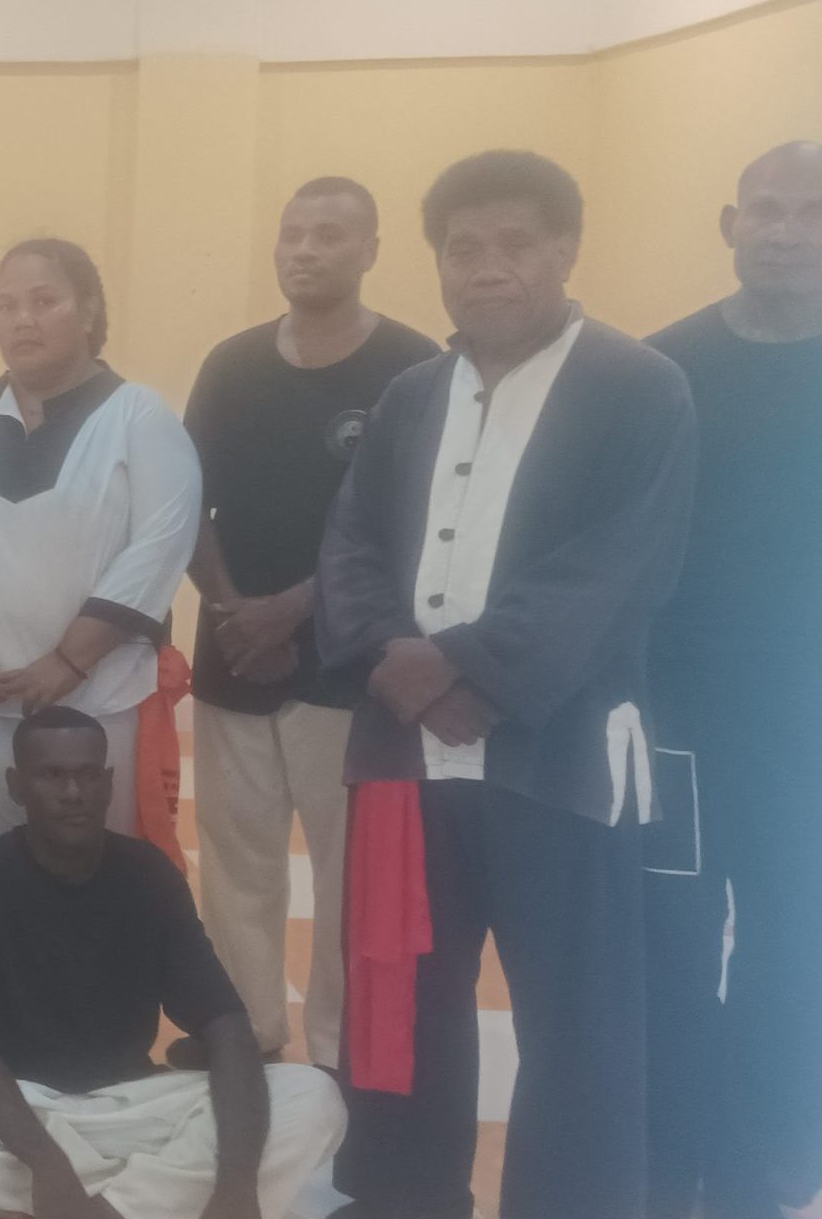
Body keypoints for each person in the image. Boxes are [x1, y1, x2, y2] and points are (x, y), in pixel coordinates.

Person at [318, 150, 696, 1219]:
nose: (485, 267)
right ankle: (403, 1189)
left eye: (513, 243)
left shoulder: (636, 386)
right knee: (400, 990)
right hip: (402, 754)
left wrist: (471, 667)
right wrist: (396, 663)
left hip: (560, 754)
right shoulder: (407, 393)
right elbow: (348, 544)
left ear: (565, 248)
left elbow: (621, 562)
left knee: (574, 1015)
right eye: (462, 247)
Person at [644, 141, 822, 1219]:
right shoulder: (660, 368)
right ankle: (664, 1151)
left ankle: (770, 1167)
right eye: (766, 209)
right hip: (675, 712)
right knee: (667, 937)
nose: (785, 228)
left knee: (803, 943)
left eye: (811, 210)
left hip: (819, 714)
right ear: (728, 221)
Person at [182, 179, 440, 1070]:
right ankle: (246, 1030)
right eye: (291, 234)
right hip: (233, 663)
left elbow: (411, 531)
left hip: (344, 665)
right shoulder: (231, 365)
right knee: (236, 863)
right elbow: (184, 506)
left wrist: (291, 611)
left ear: (371, 250)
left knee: (343, 875)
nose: (304, 250)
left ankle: (336, 1044)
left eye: (329, 235)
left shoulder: (412, 368)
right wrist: (232, 616)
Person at [0, 707, 347, 1219]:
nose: (73, 791)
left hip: (135, 1102)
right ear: (17, 786)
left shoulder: (148, 875)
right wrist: (47, 1165)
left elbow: (227, 1025)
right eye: (52, 775)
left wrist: (236, 1183)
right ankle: (148, 1199)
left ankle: (112, 1208)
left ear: (108, 782)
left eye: (88, 774)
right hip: (26, 1110)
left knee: (313, 1095)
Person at [0, 238, 200, 857]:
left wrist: (68, 662)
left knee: (93, 867)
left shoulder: (139, 419)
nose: (21, 320)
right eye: (6, 306)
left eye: (43, 301)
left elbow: (161, 544)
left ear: (88, 310)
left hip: (97, 703)